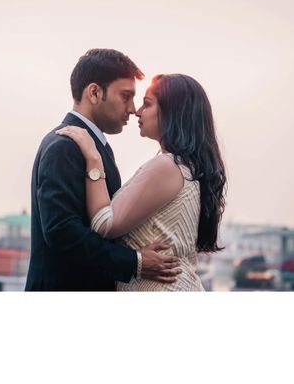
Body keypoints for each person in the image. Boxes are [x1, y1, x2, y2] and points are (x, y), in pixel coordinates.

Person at [25, 49, 182, 291]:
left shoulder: (95, 147)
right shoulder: (64, 146)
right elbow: (61, 232)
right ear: (95, 93)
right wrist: (135, 262)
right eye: (126, 96)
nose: (132, 108)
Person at [56, 73, 227, 291]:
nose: (137, 111)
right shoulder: (185, 167)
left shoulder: (167, 166)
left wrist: (93, 157)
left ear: (172, 112)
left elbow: (103, 225)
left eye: (147, 104)